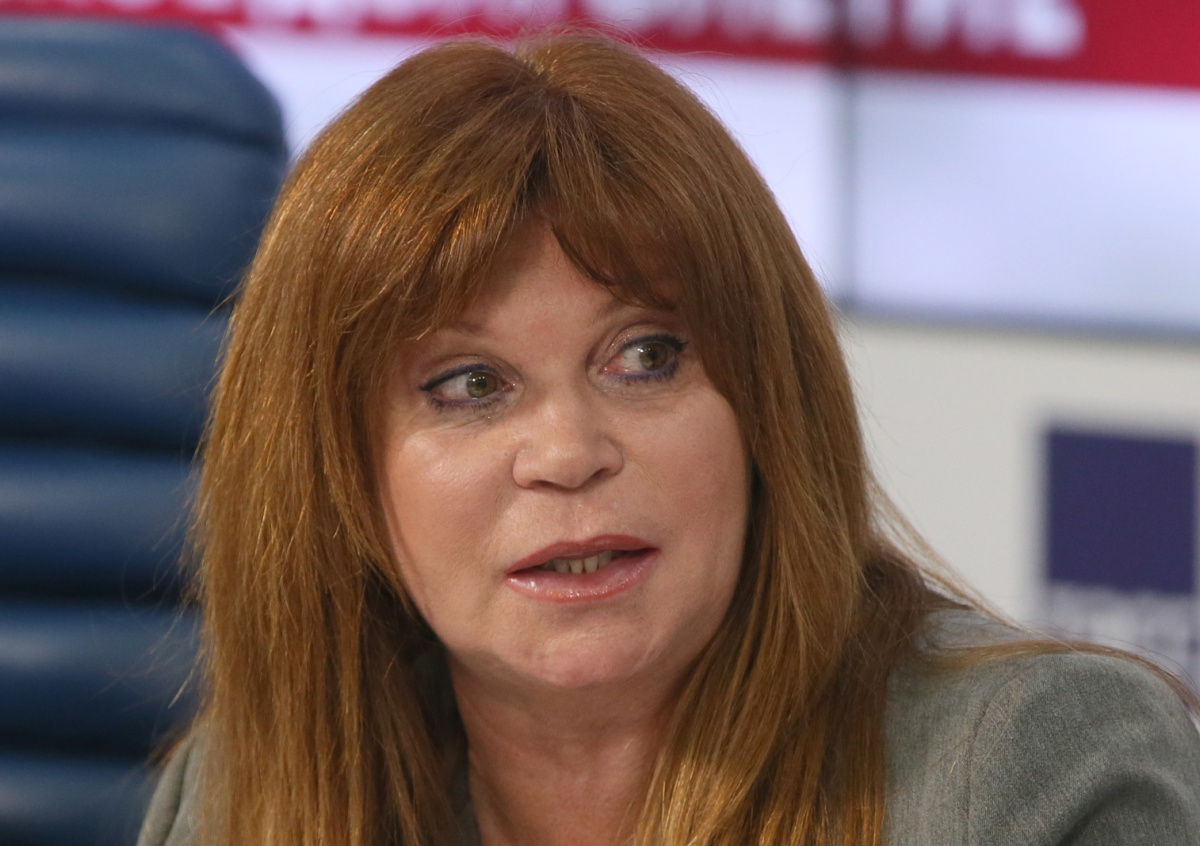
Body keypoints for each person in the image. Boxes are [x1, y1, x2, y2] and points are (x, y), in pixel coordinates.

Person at [138, 31, 1200, 846]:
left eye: (645, 357)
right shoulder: (253, 790)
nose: (567, 452)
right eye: (469, 386)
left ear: (768, 405)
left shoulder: (1028, 774)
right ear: (336, 472)